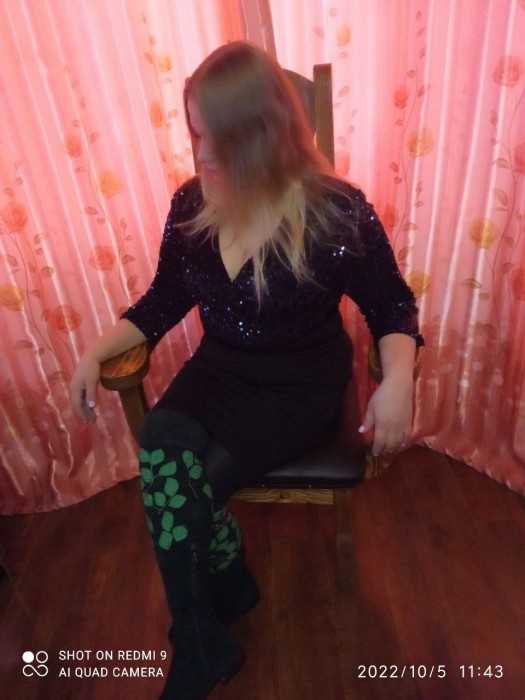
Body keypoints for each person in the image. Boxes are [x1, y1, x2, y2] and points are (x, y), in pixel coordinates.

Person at [70, 41, 422, 700]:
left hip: (298, 384)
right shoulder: (191, 205)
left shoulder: (336, 211)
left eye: (216, 137)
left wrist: (398, 379)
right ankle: (209, 624)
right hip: (221, 368)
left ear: (262, 133)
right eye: (195, 133)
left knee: (185, 488)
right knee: (161, 445)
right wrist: (94, 351)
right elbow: (161, 301)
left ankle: (209, 621)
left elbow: (391, 306)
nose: (202, 153)